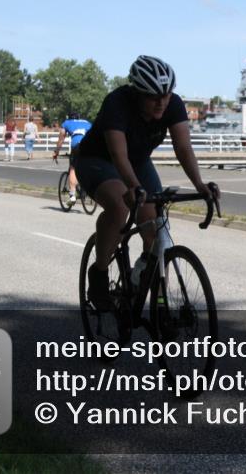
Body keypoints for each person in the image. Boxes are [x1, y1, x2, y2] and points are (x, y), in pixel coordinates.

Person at [75, 55, 218, 309]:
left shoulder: (172, 104)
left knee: (156, 229)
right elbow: (118, 155)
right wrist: (133, 187)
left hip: (138, 161)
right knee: (120, 207)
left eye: (166, 94)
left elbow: (183, 147)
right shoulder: (117, 103)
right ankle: (98, 272)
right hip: (97, 159)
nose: (161, 102)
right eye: (153, 96)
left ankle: (144, 276)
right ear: (138, 92)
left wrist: (199, 185)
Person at [53, 113, 92, 205]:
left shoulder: (67, 123)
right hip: (90, 146)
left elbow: (61, 138)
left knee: (73, 169)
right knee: (86, 166)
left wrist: (56, 151)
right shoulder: (87, 122)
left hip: (77, 146)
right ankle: (86, 188)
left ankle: (72, 196)